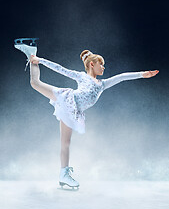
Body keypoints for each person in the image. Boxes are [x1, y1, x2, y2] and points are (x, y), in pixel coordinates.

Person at [14, 43, 159, 188]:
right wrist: (40, 60)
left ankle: (63, 174)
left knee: (65, 143)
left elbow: (121, 77)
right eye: (101, 64)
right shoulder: (82, 76)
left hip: (73, 112)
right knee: (35, 83)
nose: (103, 67)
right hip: (67, 99)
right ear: (92, 64)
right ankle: (32, 54)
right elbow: (61, 69)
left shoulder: (102, 84)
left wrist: (142, 74)